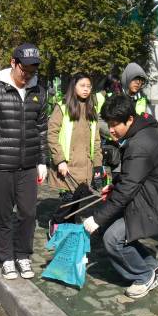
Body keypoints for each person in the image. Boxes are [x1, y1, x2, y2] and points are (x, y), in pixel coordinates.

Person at [83, 95, 158, 299]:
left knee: (112, 237)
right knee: (114, 229)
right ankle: (151, 266)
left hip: (157, 204)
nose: (111, 130)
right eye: (109, 124)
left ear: (130, 120)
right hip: (154, 196)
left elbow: (127, 190)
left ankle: (143, 276)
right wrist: (113, 187)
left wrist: (97, 218)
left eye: (115, 125)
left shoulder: (139, 144)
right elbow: (132, 176)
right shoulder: (142, 131)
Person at [0, 43, 48, 280]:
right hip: (0, 164)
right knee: (4, 214)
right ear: (14, 63)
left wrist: (43, 160)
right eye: (24, 70)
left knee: (28, 213)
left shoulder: (39, 91)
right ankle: (6, 258)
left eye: (32, 71)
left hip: (28, 165)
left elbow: (42, 129)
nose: (27, 75)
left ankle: (23, 254)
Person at [47, 72, 102, 233]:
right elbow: (51, 134)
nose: (86, 90)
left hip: (85, 166)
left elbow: (96, 140)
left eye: (89, 86)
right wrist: (60, 160)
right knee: (68, 201)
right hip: (68, 165)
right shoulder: (62, 107)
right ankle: (56, 223)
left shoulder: (92, 109)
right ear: (74, 86)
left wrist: (98, 166)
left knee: (77, 201)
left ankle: (66, 231)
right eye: (82, 86)